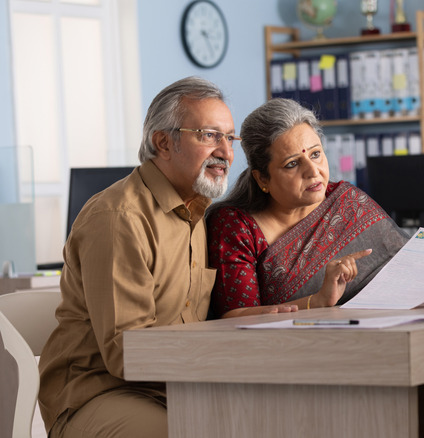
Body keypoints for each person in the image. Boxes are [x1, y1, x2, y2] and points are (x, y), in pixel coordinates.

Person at [38, 76, 293, 438]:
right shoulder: (119, 218)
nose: (226, 151)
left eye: (229, 137)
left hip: (173, 390)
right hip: (98, 396)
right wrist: (228, 356)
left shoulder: (199, 213)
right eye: (209, 135)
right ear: (163, 142)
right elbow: (126, 352)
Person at [206, 98, 409, 318]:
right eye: (292, 164)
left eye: (315, 154)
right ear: (262, 178)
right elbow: (234, 316)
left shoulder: (346, 201)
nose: (313, 171)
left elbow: (408, 268)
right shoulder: (236, 226)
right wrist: (319, 300)